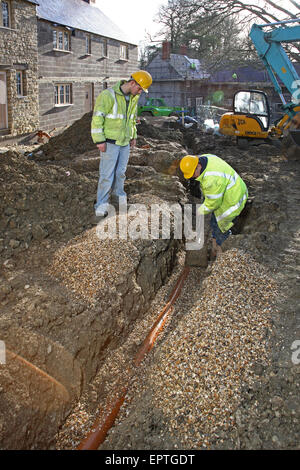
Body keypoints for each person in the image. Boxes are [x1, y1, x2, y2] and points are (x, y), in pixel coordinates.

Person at [91, 70, 152, 217]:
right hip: (110, 142)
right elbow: (97, 118)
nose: (139, 93)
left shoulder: (133, 98)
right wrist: (99, 140)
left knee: (120, 173)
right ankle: (101, 205)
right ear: (132, 83)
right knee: (107, 175)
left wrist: (133, 136)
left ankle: (119, 198)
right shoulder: (108, 95)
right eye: (139, 89)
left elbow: (132, 118)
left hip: (125, 142)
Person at [179, 154, 248, 258]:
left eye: (193, 174)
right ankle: (214, 246)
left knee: (222, 226)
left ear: (198, 166)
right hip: (229, 189)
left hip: (233, 200)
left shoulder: (211, 180)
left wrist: (197, 211)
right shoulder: (204, 158)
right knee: (214, 222)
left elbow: (212, 204)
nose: (192, 177)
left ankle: (222, 254)